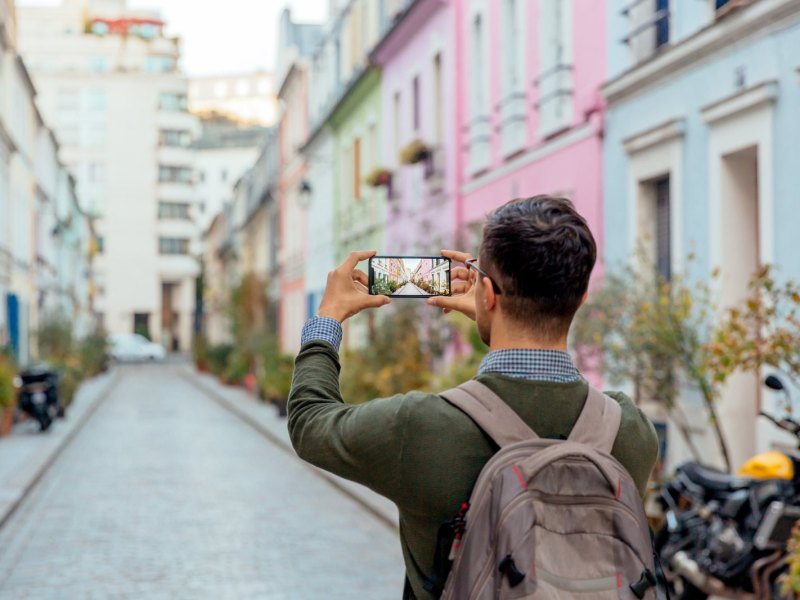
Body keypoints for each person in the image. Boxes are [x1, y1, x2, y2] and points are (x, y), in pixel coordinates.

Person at [287, 196, 659, 599]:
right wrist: (494, 320)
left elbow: (310, 424)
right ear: (581, 297)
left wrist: (327, 319)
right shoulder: (630, 431)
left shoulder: (420, 428)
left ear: (488, 293)